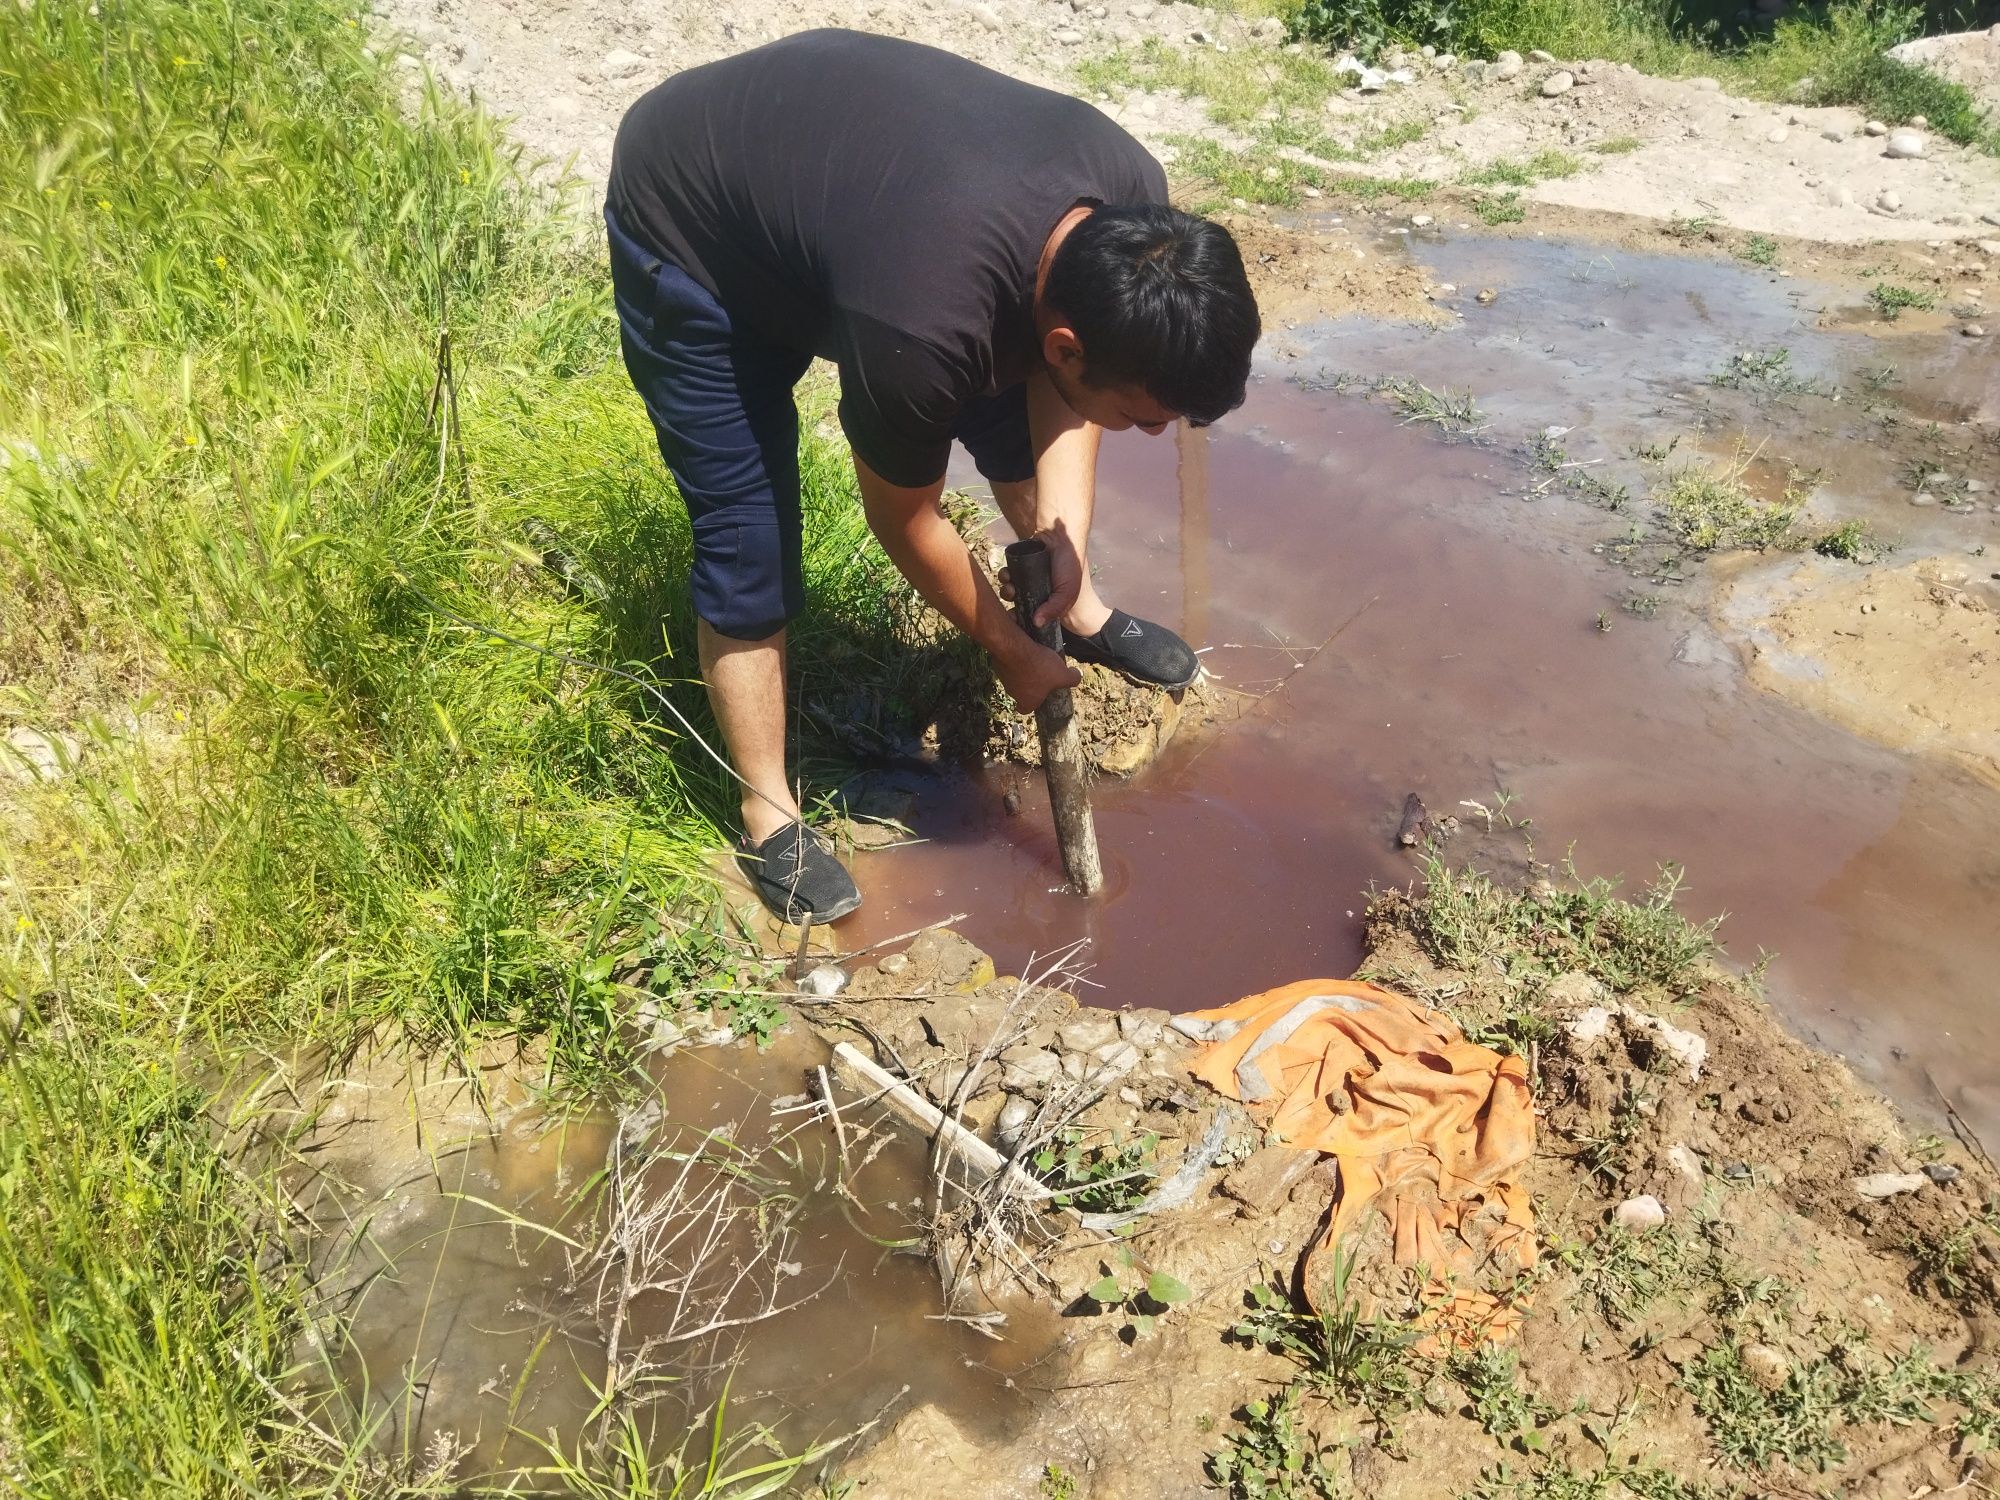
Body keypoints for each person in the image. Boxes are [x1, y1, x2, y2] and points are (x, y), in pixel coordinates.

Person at [605, 27, 1260, 924]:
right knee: (747, 535)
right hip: (695, 226)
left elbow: (1060, 386)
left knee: (1009, 399)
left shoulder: (1131, 201)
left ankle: (1082, 609)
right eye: (1146, 415)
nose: (1151, 433)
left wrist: (1057, 543)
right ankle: (768, 809)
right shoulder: (924, 321)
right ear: (1067, 346)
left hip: (851, 203)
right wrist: (1006, 647)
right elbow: (905, 519)